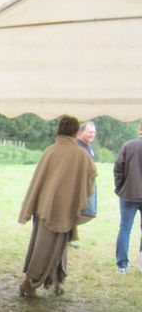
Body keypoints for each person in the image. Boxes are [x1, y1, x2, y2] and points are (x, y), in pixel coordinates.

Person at [18, 115, 97, 298]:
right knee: (45, 246)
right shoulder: (80, 154)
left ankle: (57, 279)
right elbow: (91, 179)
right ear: (76, 132)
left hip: (44, 206)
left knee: (56, 246)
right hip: (61, 209)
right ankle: (29, 282)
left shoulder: (51, 150)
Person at [113, 120, 142, 274]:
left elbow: (118, 169)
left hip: (128, 195)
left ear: (140, 128)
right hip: (129, 194)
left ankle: (121, 265)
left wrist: (120, 188)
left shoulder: (128, 145)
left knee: (124, 229)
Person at [70, 121, 98, 247]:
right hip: (79, 186)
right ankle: (65, 235)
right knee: (85, 212)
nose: (92, 134)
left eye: (94, 132)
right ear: (81, 132)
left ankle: (67, 236)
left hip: (89, 184)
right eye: (89, 132)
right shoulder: (77, 146)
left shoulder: (88, 147)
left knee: (81, 212)